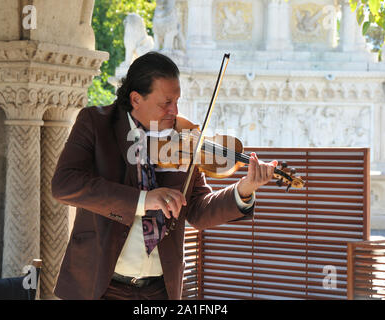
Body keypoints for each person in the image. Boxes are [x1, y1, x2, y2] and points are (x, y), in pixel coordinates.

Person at [51, 51, 276, 300]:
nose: (174, 110)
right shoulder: (95, 123)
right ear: (136, 99)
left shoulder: (185, 137)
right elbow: (64, 184)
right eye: (165, 103)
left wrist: (243, 189)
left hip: (159, 289)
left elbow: (198, 211)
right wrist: (142, 199)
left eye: (177, 101)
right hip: (100, 286)